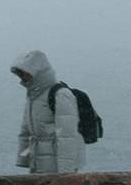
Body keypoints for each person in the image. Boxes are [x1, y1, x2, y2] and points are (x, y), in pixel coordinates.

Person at [10, 48, 84, 176]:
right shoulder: (34, 94)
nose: (23, 78)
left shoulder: (60, 94)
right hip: (39, 161)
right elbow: (25, 129)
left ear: (38, 72)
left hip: (55, 163)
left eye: (26, 73)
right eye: (21, 74)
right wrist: (23, 159)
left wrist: (66, 172)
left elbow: (67, 137)